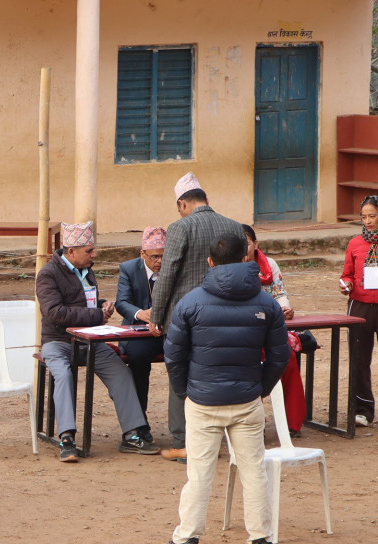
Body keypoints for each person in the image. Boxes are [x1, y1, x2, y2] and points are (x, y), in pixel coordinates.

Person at [159, 233, 290, 544]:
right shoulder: (266, 303)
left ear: (210, 262)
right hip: (246, 400)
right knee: (254, 471)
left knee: (199, 474)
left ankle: (187, 540)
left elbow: (173, 355)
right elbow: (279, 355)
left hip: (202, 401)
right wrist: (260, 388)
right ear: (247, 258)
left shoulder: (190, 302)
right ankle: (261, 541)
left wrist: (184, 390)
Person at [36, 222, 158, 462]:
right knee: (62, 375)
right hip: (58, 342)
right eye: (89, 251)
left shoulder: (87, 270)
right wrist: (96, 315)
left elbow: (85, 302)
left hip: (90, 342)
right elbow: (55, 313)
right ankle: (67, 438)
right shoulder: (48, 274)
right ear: (72, 252)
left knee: (120, 373)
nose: (94, 255)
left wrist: (102, 304)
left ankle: (132, 433)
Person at [149, 173, 247, 462]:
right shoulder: (234, 227)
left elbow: (167, 275)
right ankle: (217, 439)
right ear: (206, 200)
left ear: (182, 204)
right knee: (220, 373)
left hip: (186, 317)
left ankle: (183, 442)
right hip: (229, 315)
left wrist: (156, 315)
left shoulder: (180, 227)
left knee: (180, 377)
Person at [243, 224, 307, 436]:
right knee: (248, 368)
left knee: (287, 361)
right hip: (244, 334)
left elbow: (279, 292)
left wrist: (284, 307)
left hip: (270, 330)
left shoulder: (269, 265)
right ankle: (253, 424)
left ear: (256, 244)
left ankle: (293, 423)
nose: (244, 247)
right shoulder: (230, 267)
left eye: (248, 242)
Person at [115, 226, 167, 415]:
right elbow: (121, 303)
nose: (159, 261)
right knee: (138, 358)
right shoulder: (128, 268)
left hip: (166, 332)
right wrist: (140, 314)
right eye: (154, 257)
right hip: (138, 332)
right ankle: (138, 419)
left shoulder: (172, 267)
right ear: (142, 254)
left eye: (163, 256)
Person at [340, 194, 378, 428]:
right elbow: (347, 274)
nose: (368, 221)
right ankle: (363, 409)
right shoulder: (355, 244)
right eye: (364, 217)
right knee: (359, 359)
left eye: (372, 216)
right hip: (360, 306)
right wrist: (345, 284)